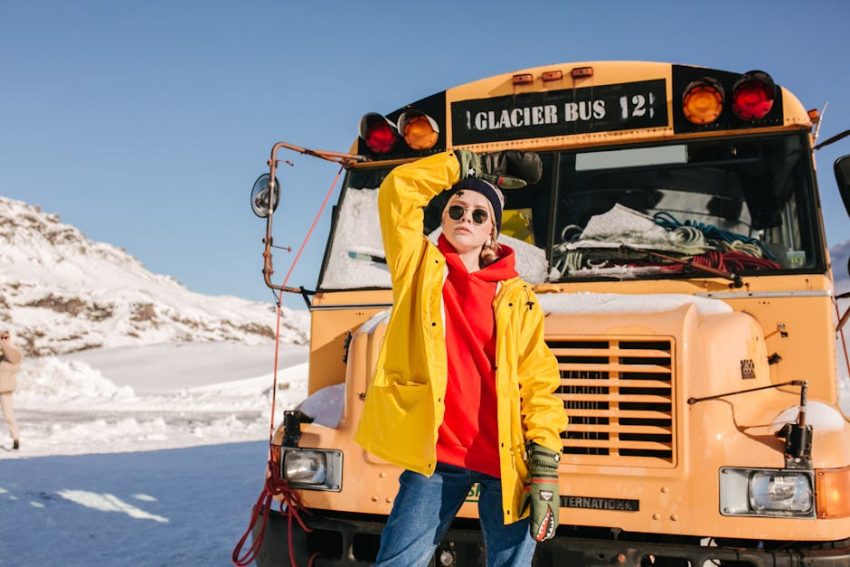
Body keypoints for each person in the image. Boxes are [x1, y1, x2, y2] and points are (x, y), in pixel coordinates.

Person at [355, 150, 566, 566]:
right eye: (456, 208)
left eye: (479, 213)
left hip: (505, 462)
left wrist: (544, 458)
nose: (466, 217)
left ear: (494, 231)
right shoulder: (416, 270)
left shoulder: (518, 298)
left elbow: (538, 381)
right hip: (436, 457)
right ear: (444, 219)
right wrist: (463, 164)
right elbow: (397, 190)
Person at [0, 330, 23, 450]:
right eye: (1, 337)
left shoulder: (14, 352)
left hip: (5, 389)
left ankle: (15, 438)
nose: (3, 339)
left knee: (8, 415)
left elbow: (12, 358)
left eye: (5, 337)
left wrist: (4, 345)